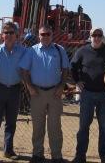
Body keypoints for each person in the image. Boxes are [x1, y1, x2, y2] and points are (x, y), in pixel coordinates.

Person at [19, 24, 70, 163]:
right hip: (37, 94)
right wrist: (29, 87)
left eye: (48, 34)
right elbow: (23, 71)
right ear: (38, 36)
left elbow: (65, 69)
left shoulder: (59, 50)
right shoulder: (31, 51)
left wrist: (61, 87)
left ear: (52, 35)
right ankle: (37, 154)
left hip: (55, 93)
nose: (45, 37)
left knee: (55, 127)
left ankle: (56, 156)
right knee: (38, 126)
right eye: (42, 34)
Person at [70, 28, 105, 163]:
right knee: (84, 126)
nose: (96, 38)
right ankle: (80, 156)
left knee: (104, 128)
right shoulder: (82, 51)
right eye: (94, 35)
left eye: (99, 35)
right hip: (87, 95)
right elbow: (73, 66)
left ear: (102, 37)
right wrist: (77, 81)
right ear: (90, 36)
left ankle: (104, 157)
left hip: (104, 95)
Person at [0, 22, 27, 163]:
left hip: (15, 90)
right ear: (2, 35)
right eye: (6, 32)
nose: (8, 35)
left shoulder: (23, 51)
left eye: (11, 33)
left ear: (16, 35)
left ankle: (8, 150)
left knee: (11, 122)